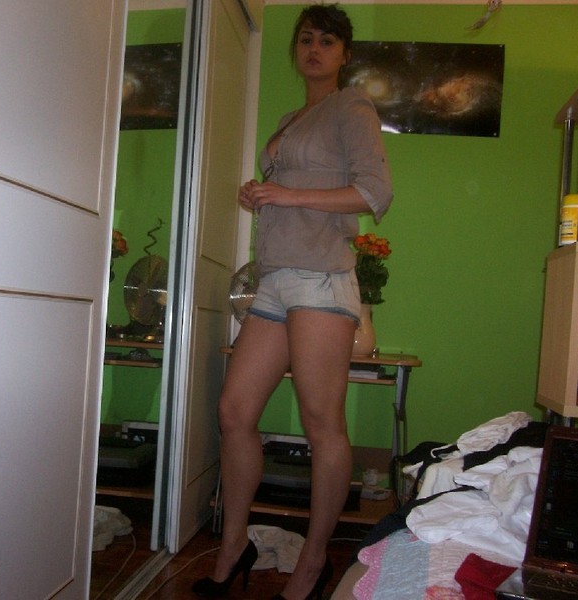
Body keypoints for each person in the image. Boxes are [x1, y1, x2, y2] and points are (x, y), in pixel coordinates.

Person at [192, 4, 393, 600]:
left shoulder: (352, 106)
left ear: (344, 54)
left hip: (322, 279)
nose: (314, 49)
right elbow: (294, 189)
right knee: (234, 412)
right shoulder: (290, 117)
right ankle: (235, 545)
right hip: (276, 278)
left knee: (321, 423)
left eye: (327, 41)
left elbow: (374, 193)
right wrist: (259, 194)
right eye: (306, 39)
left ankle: (313, 561)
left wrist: (286, 192)